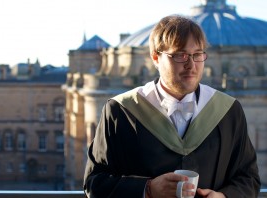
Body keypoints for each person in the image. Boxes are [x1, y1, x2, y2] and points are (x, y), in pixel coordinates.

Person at [83, 15, 261, 198]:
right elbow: (95, 183)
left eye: (197, 55)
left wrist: (223, 197)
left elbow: (249, 179)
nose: (191, 65)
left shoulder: (228, 111)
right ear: (155, 58)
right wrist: (147, 189)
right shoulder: (120, 111)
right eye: (180, 55)